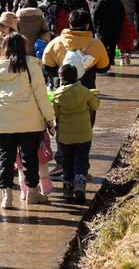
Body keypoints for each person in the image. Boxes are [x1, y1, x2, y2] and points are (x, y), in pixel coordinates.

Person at [0, 33, 55, 208]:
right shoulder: (32, 66)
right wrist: (50, 118)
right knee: (29, 157)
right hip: (28, 119)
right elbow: (41, 95)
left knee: (5, 158)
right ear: (24, 47)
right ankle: (32, 193)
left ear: (5, 48)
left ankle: (6, 197)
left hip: (2, 119)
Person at [53, 64, 100, 203]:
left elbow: (55, 113)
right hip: (83, 134)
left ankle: (67, 188)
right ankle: (80, 183)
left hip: (65, 136)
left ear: (61, 78)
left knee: (66, 161)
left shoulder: (58, 94)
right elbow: (95, 105)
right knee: (82, 159)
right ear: (77, 76)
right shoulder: (85, 91)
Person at [42, 10, 110, 91]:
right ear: (87, 25)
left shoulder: (55, 43)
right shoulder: (97, 44)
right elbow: (103, 68)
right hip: (86, 90)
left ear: (70, 24)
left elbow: (47, 66)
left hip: (62, 90)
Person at [93, 0, 125, 66]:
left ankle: (103, 62)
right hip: (114, 27)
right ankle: (111, 60)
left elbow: (96, 13)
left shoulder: (102, 0)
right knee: (112, 46)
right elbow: (122, 13)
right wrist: (119, 23)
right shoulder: (117, 0)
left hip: (103, 27)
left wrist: (95, 25)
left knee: (103, 46)